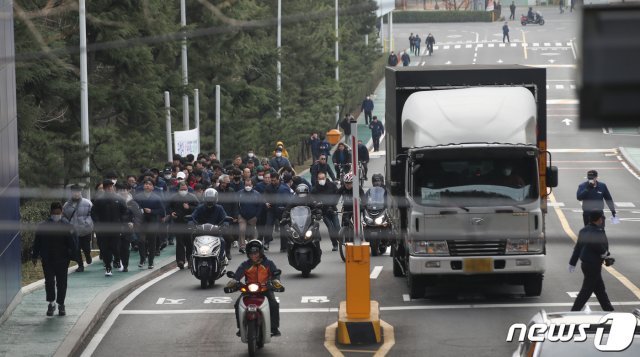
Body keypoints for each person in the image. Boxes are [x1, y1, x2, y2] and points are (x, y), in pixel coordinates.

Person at [227, 240, 282, 337]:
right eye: (251, 254)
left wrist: (276, 283)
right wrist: (233, 283)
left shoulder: (269, 263)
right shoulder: (245, 265)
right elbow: (237, 276)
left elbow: (275, 275)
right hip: (249, 290)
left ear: (260, 252)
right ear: (248, 254)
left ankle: (274, 328)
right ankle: (241, 328)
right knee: (237, 304)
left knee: (273, 304)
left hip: (265, 289)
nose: (253, 256)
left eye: (256, 253)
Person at [32, 202, 76, 316]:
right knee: (49, 282)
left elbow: (73, 242)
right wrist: (34, 255)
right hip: (47, 259)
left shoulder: (67, 225)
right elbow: (37, 242)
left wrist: (73, 255)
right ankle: (51, 303)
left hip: (62, 259)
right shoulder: (43, 226)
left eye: (58, 213)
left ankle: (61, 304)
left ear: (62, 212)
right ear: (50, 212)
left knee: (62, 283)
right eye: (54, 213)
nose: (56, 215)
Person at [568, 211, 614, 312]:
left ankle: (609, 310)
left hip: (586, 264)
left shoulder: (584, 230)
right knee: (586, 291)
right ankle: (573, 312)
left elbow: (578, 248)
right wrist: (605, 253)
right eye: (602, 218)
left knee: (600, 290)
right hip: (593, 265)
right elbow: (596, 245)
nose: (602, 220)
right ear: (599, 219)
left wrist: (572, 262)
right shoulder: (597, 231)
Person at [92, 179, 127, 276]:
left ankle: (117, 260)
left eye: (111, 186)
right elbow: (94, 213)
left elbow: (124, 211)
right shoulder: (99, 200)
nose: (110, 188)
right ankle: (108, 267)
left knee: (115, 247)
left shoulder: (119, 199)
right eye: (107, 187)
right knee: (105, 248)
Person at [134, 179, 166, 269]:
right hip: (141, 221)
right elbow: (134, 207)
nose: (147, 185)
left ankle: (151, 261)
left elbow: (161, 210)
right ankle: (142, 259)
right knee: (141, 240)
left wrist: (151, 211)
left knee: (152, 241)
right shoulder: (138, 197)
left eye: (150, 184)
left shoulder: (156, 198)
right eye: (146, 184)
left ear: (153, 187)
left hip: (153, 221)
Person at [191, 188, 229, 261]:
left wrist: (225, 225)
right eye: (208, 199)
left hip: (216, 232)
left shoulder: (219, 208)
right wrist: (191, 223)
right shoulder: (199, 208)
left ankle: (221, 259)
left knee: (222, 241)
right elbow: (193, 217)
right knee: (193, 238)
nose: (210, 201)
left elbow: (225, 218)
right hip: (201, 232)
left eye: (211, 199)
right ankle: (193, 257)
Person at [62, 184, 94, 272]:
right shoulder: (66, 205)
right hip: (73, 232)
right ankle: (80, 265)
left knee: (86, 248)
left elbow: (92, 214)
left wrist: (87, 223)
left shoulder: (87, 203)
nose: (76, 194)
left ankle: (88, 255)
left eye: (78, 192)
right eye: (74, 192)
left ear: (80, 192)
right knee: (76, 249)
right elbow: (64, 216)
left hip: (85, 230)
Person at [169, 182, 199, 269]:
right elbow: (169, 207)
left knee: (189, 242)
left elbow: (197, 207)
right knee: (179, 242)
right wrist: (171, 213)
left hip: (189, 222)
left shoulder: (192, 197)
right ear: (178, 189)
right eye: (182, 189)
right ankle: (180, 261)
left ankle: (190, 260)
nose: (183, 191)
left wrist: (189, 208)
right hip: (178, 222)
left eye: (185, 189)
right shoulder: (174, 198)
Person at [311, 172, 341, 251]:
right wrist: (317, 207)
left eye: (323, 178)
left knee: (337, 227)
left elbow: (337, 194)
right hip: (324, 213)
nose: (321, 180)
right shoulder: (315, 189)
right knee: (331, 229)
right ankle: (335, 245)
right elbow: (311, 199)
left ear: (326, 177)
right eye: (320, 179)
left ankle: (340, 240)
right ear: (317, 179)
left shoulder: (332, 185)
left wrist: (334, 203)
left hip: (333, 210)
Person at [237, 178, 264, 252]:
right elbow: (236, 204)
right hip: (242, 216)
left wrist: (256, 216)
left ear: (252, 185)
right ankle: (242, 246)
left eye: (249, 184)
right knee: (242, 230)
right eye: (246, 184)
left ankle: (253, 245)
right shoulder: (239, 193)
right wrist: (238, 214)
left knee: (252, 233)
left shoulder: (257, 194)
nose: (247, 186)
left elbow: (260, 206)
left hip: (253, 217)